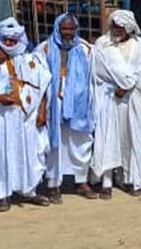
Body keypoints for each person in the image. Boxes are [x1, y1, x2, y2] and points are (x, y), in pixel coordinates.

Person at [0, 18, 51, 211]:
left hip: (27, 116)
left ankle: (29, 191)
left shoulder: (32, 59)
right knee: (2, 152)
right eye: (6, 40)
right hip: (2, 115)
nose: (9, 44)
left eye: (13, 40)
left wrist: (42, 111)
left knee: (29, 152)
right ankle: (3, 194)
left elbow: (44, 86)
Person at [34, 14, 98, 202]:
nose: (68, 33)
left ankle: (81, 181)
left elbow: (93, 79)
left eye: (71, 29)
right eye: (64, 29)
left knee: (81, 140)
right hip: (54, 101)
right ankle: (53, 184)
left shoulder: (86, 49)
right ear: (57, 28)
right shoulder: (44, 49)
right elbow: (39, 78)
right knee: (56, 143)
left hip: (79, 102)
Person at [90, 10, 141, 198]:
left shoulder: (138, 45)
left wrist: (127, 85)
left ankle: (131, 180)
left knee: (131, 139)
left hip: (132, 98)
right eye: (113, 26)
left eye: (120, 27)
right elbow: (99, 71)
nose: (116, 30)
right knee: (108, 138)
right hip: (109, 98)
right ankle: (106, 182)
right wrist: (118, 85)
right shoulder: (102, 44)